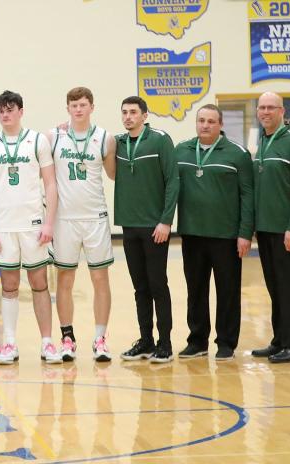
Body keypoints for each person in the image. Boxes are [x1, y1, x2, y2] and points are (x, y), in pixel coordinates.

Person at [0, 90, 60, 364]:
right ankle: (9, 343)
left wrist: (49, 223)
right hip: (3, 224)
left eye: (10, 109)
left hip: (33, 223)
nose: (5, 114)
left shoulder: (37, 141)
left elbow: (50, 183)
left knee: (39, 283)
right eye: (1, 110)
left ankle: (47, 343)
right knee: (9, 285)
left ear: (21, 111)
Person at [175, 104, 254, 361]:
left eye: (211, 121)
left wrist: (245, 233)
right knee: (195, 290)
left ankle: (226, 342)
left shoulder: (237, 154)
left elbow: (247, 196)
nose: (205, 125)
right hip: (192, 234)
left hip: (226, 236)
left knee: (227, 291)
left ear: (220, 125)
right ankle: (197, 340)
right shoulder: (181, 151)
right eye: (201, 121)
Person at [48, 86, 118, 362]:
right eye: (74, 105)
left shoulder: (105, 138)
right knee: (65, 279)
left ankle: (100, 339)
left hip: (95, 217)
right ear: (67, 108)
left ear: (92, 107)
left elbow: (113, 174)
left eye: (83, 105)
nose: (78, 109)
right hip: (64, 219)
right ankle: (67, 338)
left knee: (100, 278)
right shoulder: (53, 136)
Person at [114, 96, 178, 363]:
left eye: (133, 112)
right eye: (124, 112)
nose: (128, 117)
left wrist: (166, 221)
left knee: (157, 285)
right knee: (140, 287)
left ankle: (165, 343)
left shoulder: (160, 140)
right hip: (129, 225)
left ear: (145, 115)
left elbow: (173, 181)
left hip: (155, 227)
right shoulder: (117, 142)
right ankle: (146, 340)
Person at [250, 92, 290, 363]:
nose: (265, 112)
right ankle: (280, 339)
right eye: (261, 107)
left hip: (288, 230)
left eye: (271, 107)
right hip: (265, 228)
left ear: (282, 111)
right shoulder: (261, 140)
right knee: (275, 286)